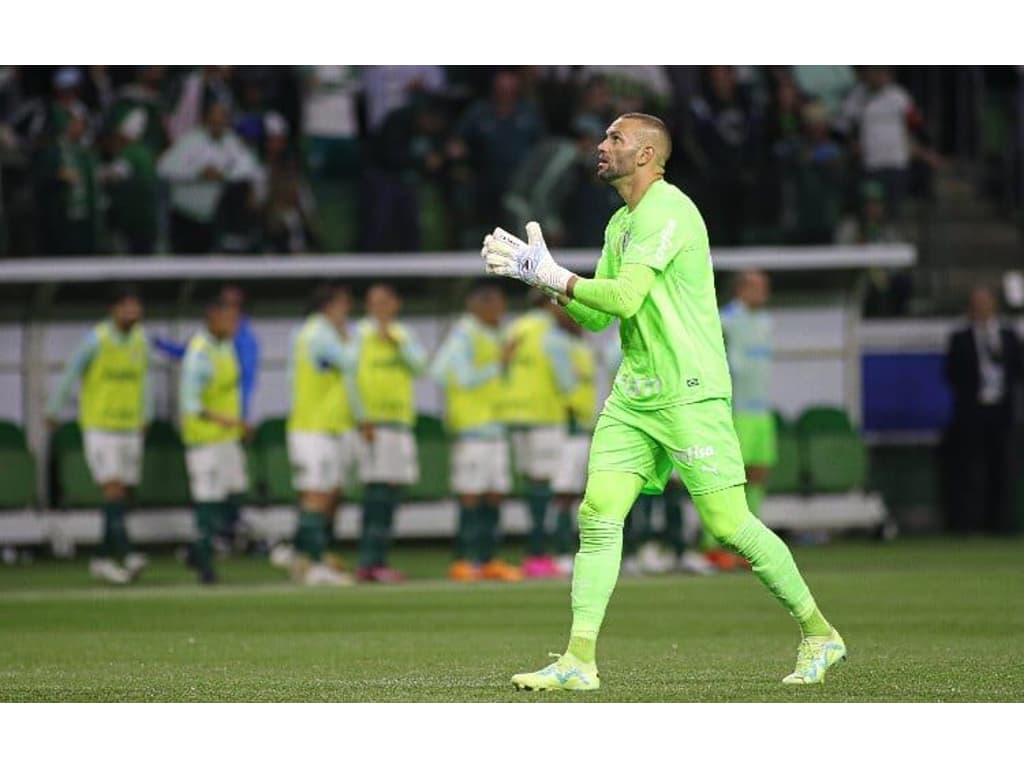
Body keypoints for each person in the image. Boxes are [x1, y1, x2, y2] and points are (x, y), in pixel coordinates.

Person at [482, 112, 845, 690]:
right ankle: (579, 660)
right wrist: (546, 282)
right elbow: (599, 317)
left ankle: (819, 633)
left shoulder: (669, 210)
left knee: (728, 525)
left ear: (647, 154)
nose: (601, 146)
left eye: (614, 138)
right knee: (598, 513)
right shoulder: (619, 223)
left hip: (689, 390)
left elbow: (625, 298)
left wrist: (557, 276)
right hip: (635, 393)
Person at [46, 284, 151, 585]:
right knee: (113, 488)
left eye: (136, 307)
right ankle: (126, 552)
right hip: (101, 427)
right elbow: (71, 373)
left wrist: (147, 414)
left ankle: (103, 557)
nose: (133, 312)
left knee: (124, 491)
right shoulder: (96, 340)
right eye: (127, 307)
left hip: (130, 426)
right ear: (114, 310)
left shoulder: (142, 340)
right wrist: (54, 409)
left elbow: (145, 379)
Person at [431, 279, 522, 583]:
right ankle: (464, 559)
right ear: (478, 305)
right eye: (495, 303)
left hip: (496, 428)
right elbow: (448, 374)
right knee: (471, 494)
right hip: (472, 430)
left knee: (495, 494)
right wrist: (498, 364)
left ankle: (488, 559)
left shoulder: (495, 334)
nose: (501, 309)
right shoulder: (464, 334)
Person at [279, 282, 362, 586]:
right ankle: (312, 565)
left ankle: (301, 554)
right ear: (329, 306)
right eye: (344, 304)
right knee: (316, 494)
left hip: (330, 426)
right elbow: (351, 361)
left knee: (329, 493)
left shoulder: (315, 333)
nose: (348, 311)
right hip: (312, 428)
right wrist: (351, 338)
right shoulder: (317, 334)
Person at [353, 283, 428, 582]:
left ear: (395, 304)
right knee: (377, 492)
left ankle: (379, 560)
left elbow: (421, 367)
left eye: (385, 302)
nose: (380, 308)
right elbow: (352, 377)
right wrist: (362, 418)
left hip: (400, 423)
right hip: (374, 424)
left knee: (393, 492)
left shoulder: (403, 335)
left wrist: (396, 343)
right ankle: (368, 561)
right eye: (374, 302)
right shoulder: (358, 336)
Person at [504, 291, 577, 578]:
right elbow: (567, 382)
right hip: (546, 417)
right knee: (555, 488)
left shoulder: (514, 329)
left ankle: (533, 552)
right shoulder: (552, 335)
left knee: (533, 486)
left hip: (516, 416)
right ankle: (548, 553)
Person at [179, 292, 249, 584]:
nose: (234, 323)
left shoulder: (226, 346)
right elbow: (192, 405)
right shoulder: (199, 355)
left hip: (227, 440)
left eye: (236, 317)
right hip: (204, 441)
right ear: (212, 316)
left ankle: (196, 550)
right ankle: (205, 566)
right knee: (208, 502)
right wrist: (230, 420)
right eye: (228, 317)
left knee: (234, 495)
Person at [944, 286, 1022, 534]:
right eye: (977, 304)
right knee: (971, 471)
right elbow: (950, 374)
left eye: (985, 303)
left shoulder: (1009, 335)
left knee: (1003, 469)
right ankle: (969, 525)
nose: (981, 309)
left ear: (994, 306)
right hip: (972, 413)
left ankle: (1000, 525)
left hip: (1002, 411)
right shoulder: (960, 337)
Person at [157, 100, 263, 254]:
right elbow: (164, 168)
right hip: (185, 215)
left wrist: (223, 174)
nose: (218, 123)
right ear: (206, 119)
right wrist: (198, 173)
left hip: (214, 218)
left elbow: (249, 168)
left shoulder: (231, 142)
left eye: (222, 119)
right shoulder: (190, 141)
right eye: (214, 119)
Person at [720, 270, 776, 528]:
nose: (764, 293)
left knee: (758, 473)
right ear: (741, 290)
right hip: (736, 410)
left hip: (761, 410)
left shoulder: (766, 321)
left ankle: (751, 535)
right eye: (758, 287)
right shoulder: (725, 320)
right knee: (731, 476)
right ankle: (719, 541)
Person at [549, 306, 596, 575]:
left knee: (579, 493)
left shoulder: (581, 344)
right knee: (562, 492)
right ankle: (559, 551)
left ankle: (574, 550)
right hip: (566, 428)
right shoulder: (555, 343)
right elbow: (564, 385)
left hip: (583, 427)